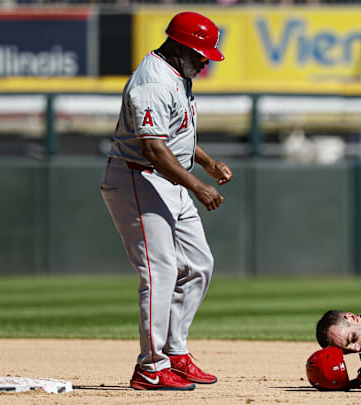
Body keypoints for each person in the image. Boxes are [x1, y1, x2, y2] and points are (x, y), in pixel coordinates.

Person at [100, 11, 232, 391]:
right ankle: (151, 366)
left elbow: (177, 135)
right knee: (159, 272)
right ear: (177, 46)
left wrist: (206, 163)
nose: (205, 60)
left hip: (169, 180)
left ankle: (175, 352)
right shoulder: (153, 82)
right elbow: (155, 150)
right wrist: (198, 186)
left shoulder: (176, 75)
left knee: (198, 264)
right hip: (138, 178)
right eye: (199, 52)